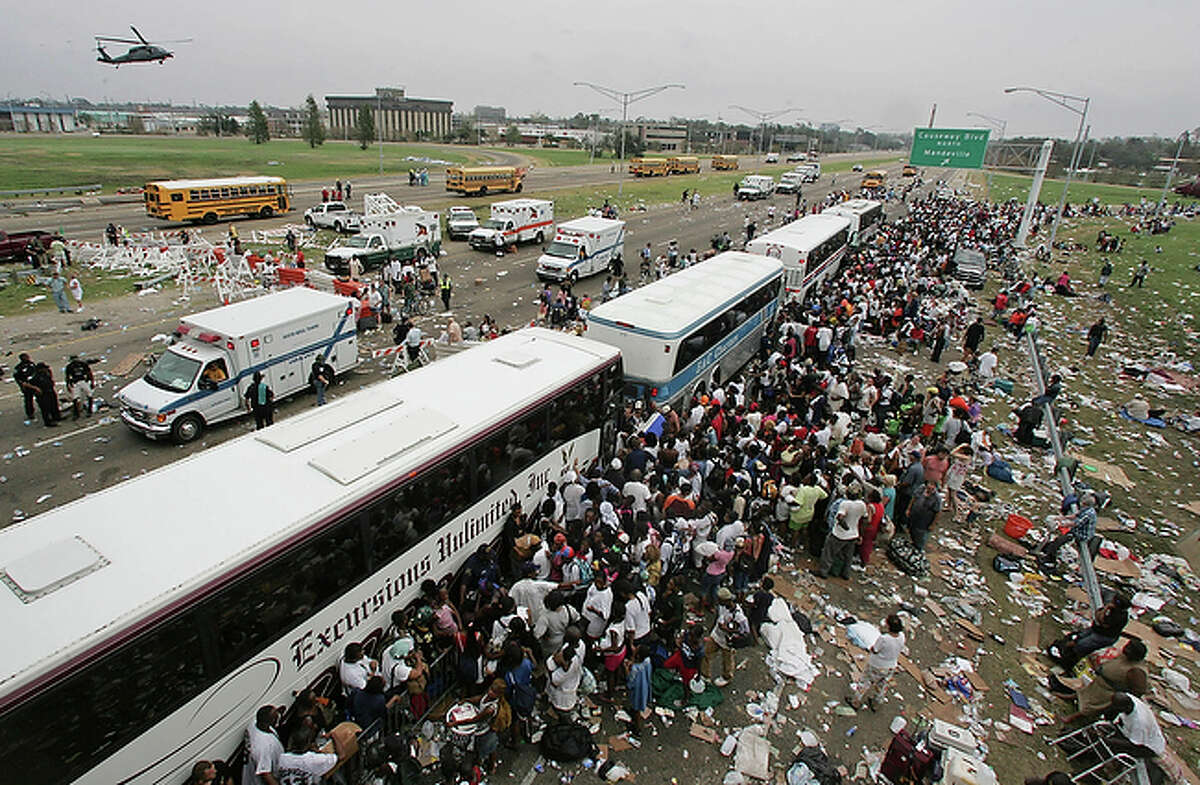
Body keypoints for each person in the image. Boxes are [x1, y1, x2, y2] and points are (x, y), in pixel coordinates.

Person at [1055, 639, 1149, 723]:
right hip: (1100, 682)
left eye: (1129, 649)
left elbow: (1138, 691)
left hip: (1110, 691)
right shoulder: (1126, 656)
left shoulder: (1137, 671)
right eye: (1127, 646)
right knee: (1085, 691)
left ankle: (1074, 717)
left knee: (1091, 706)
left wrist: (1117, 688)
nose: (1125, 649)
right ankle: (1073, 696)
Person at [1047, 593, 1131, 671]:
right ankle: (1066, 649)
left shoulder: (1119, 616)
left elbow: (1101, 620)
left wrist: (1106, 609)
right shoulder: (1112, 610)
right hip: (1096, 630)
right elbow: (1097, 614)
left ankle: (1070, 661)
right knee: (1078, 637)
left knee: (1081, 646)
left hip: (1104, 636)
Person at [848, 614, 906, 711]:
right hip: (891, 666)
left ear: (889, 626)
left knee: (865, 682)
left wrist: (870, 648)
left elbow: (875, 649)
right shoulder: (902, 637)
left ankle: (855, 701)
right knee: (882, 685)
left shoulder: (884, 639)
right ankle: (876, 703)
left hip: (877, 665)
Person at [1038, 493, 1099, 570]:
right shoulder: (1087, 509)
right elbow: (1075, 515)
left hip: (1081, 534)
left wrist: (1061, 525)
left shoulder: (1089, 514)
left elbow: (1075, 523)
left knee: (1058, 541)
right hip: (1077, 530)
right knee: (1057, 540)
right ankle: (1049, 555)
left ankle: (1050, 560)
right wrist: (1061, 518)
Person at [816, 483, 865, 579]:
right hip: (853, 534)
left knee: (828, 553)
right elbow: (865, 520)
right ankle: (846, 574)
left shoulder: (845, 504)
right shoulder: (862, 505)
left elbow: (840, 517)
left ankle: (823, 571)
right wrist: (860, 534)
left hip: (839, 534)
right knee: (848, 556)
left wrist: (844, 526)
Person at [702, 587, 748, 687]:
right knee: (706, 653)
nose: (718, 601)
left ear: (726, 600)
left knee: (727, 661)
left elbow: (745, 631)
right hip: (716, 636)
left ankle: (727, 677)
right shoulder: (722, 607)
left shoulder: (739, 615)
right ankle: (705, 675)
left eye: (720, 600)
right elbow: (718, 617)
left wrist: (727, 629)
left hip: (727, 642)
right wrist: (712, 630)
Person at [1101, 693, 1166, 759]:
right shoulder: (1128, 698)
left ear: (1125, 708)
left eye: (1118, 709)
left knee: (1114, 748)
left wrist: (1110, 741)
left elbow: (1133, 744)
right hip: (1130, 731)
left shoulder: (1139, 722)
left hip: (1148, 747)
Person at [276, 724, 340, 785]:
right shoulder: (314, 759)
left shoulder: (282, 758)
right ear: (308, 743)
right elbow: (342, 756)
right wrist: (333, 734)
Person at [242, 705, 284, 785]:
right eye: (276, 716)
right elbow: (266, 774)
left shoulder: (254, 725)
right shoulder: (262, 746)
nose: (278, 716)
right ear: (271, 721)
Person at [905, 480, 941, 551]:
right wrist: (908, 509)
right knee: (911, 529)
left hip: (925, 520)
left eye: (933, 486)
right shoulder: (921, 489)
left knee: (920, 534)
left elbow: (938, 512)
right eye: (930, 484)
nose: (930, 487)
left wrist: (933, 525)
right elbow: (914, 498)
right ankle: (913, 542)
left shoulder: (937, 498)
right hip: (914, 515)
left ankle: (918, 548)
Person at [31, 361, 62, 427]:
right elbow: (27, 384)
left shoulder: (46, 373)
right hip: (43, 394)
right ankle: (48, 422)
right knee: (45, 408)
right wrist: (36, 388)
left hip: (50, 390)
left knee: (54, 404)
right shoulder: (35, 376)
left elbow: (50, 379)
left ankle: (56, 417)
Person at [64, 355, 94, 420]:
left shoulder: (83, 364)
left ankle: (89, 410)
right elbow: (67, 376)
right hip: (75, 383)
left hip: (83, 381)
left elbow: (89, 373)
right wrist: (68, 385)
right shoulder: (69, 367)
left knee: (89, 395)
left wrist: (92, 382)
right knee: (75, 398)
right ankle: (76, 413)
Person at [14, 353, 39, 425]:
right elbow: (17, 378)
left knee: (37, 397)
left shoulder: (31, 364)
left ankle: (39, 409)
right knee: (28, 400)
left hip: (33, 384)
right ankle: (30, 413)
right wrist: (22, 385)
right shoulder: (19, 368)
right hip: (28, 386)